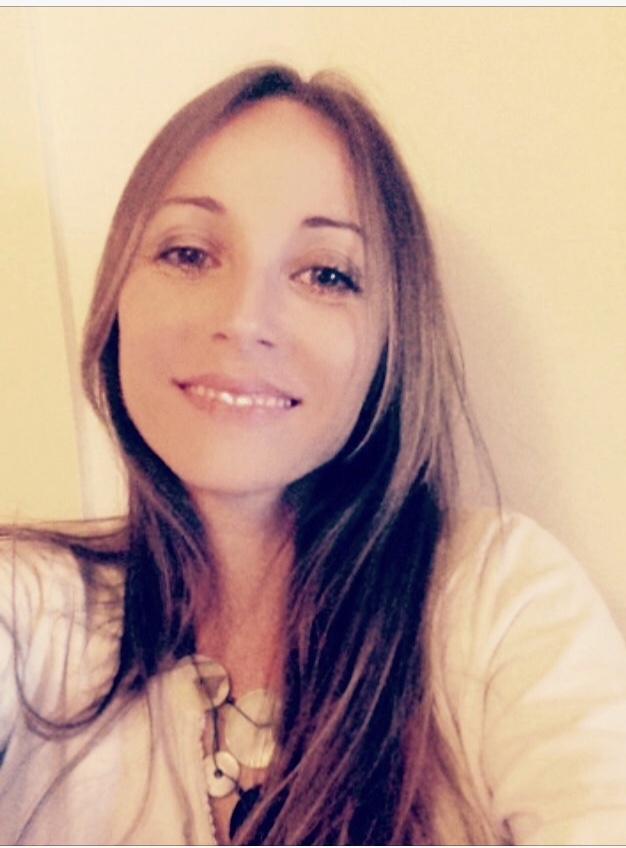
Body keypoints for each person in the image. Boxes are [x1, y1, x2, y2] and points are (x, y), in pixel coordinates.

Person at [1, 64, 626, 847]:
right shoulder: (31, 610)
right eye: (189, 253)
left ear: (392, 343)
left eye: (326, 274)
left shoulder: (500, 602)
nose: (243, 319)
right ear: (117, 299)